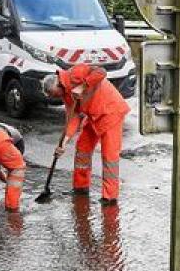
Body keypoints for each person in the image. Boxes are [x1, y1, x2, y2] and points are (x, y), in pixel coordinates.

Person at [42, 63, 130, 204]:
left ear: (57, 85)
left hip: (110, 112)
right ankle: (80, 188)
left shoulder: (75, 73)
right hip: (93, 116)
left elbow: (101, 72)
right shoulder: (66, 94)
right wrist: (63, 144)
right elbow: (73, 118)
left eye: (54, 95)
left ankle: (110, 197)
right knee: (82, 148)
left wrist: (82, 86)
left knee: (109, 157)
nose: (55, 98)